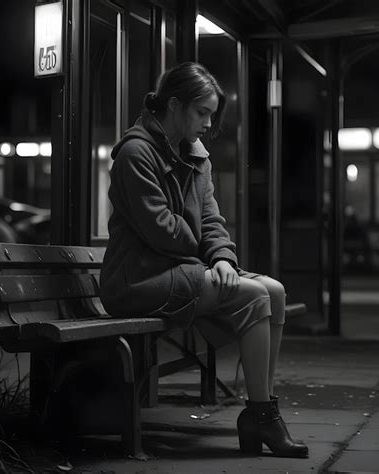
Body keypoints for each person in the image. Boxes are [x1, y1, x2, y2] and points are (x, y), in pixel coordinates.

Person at [100, 62, 308, 458]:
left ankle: (261, 409)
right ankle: (261, 416)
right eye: (202, 113)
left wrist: (224, 259)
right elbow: (159, 229)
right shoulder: (134, 152)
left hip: (178, 269)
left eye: (212, 115)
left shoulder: (196, 154)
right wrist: (207, 254)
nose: (208, 124)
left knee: (275, 291)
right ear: (174, 105)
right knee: (253, 296)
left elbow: (210, 217)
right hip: (136, 279)